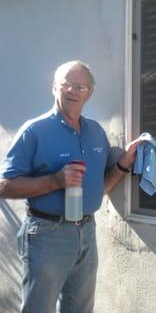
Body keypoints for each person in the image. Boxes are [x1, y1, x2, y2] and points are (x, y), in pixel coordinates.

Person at [0, 60, 140, 313]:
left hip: (86, 231)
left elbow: (100, 187)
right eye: (66, 84)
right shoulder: (35, 131)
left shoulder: (96, 133)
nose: (73, 91)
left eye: (80, 87)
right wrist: (55, 181)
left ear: (90, 93)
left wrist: (123, 164)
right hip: (46, 233)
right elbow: (4, 186)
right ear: (55, 87)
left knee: (80, 309)